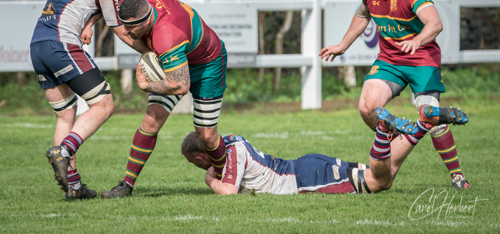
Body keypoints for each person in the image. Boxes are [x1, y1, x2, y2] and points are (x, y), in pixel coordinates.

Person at [319, 0, 470, 189]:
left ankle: (457, 176)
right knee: (367, 107)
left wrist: (417, 40)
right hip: (390, 60)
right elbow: (362, 15)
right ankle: (395, 134)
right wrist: (342, 45)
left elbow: (435, 24)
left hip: (422, 59)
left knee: (431, 118)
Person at [30, 0, 149, 199]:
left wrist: (89, 23)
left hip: (38, 45)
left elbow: (85, 5)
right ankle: (65, 150)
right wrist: (150, 54)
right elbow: (121, 30)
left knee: (65, 114)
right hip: (61, 44)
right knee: (104, 103)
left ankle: (73, 187)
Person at [101, 0, 228, 198]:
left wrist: (146, 86)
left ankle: (226, 178)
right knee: (150, 121)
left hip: (208, 64)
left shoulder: (166, 35)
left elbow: (180, 85)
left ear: (146, 20)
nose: (127, 31)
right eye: (124, 24)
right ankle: (126, 186)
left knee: (206, 134)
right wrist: (88, 25)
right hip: (177, 60)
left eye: (132, 27)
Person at [181, 113, 460, 195]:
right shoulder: (232, 140)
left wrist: (211, 181)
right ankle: (425, 124)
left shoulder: (230, 153)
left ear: (201, 157)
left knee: (379, 181)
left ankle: (383, 133)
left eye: (194, 163)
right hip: (307, 164)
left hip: (303, 179)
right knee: (382, 177)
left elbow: (228, 193)